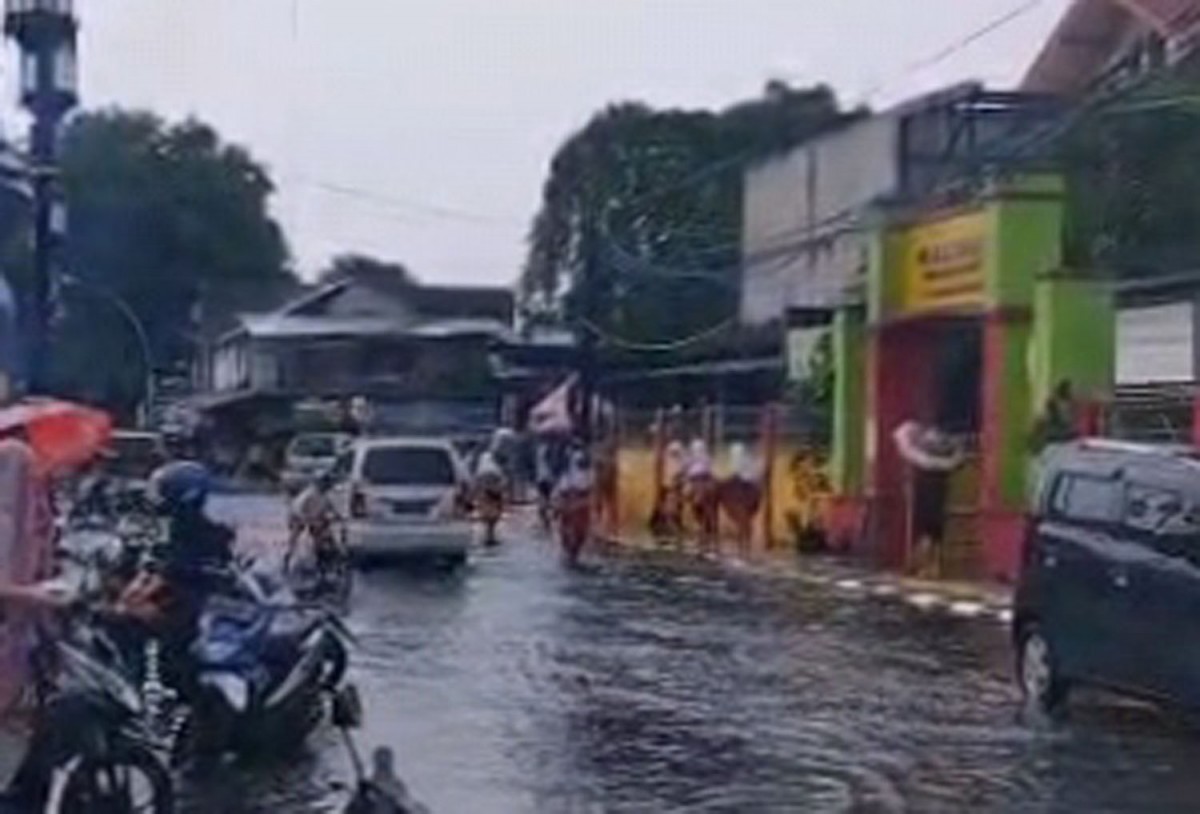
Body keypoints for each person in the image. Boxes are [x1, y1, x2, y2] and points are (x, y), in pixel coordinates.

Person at [893, 420, 965, 578]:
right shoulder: (930, 458)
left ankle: (925, 566)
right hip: (934, 493)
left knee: (929, 532)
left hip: (929, 493)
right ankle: (928, 566)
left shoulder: (921, 458)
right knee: (932, 533)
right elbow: (952, 461)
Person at [286, 470, 345, 576]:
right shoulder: (309, 494)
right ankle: (290, 558)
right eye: (325, 482)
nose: (327, 485)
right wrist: (306, 520)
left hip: (315, 518)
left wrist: (339, 518)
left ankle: (322, 556)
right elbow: (298, 509)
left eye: (328, 483)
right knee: (296, 536)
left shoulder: (324, 495)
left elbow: (331, 508)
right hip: (299, 517)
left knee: (324, 534)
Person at [554, 446, 594, 566]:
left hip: (577, 502)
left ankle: (571, 553)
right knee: (572, 529)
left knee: (578, 531)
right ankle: (570, 553)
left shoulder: (586, 474)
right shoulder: (570, 475)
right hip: (574, 501)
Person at [685, 439, 719, 553]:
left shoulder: (697, 458)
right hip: (705, 478)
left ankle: (701, 527)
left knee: (688, 493)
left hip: (697, 480)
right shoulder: (705, 457)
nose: (697, 450)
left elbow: (689, 470)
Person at [473, 448, 507, 547]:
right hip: (493, 493)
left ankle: (489, 536)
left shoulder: (481, 466)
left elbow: (477, 481)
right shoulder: (495, 468)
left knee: (488, 515)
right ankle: (490, 536)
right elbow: (501, 480)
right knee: (492, 516)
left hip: (486, 494)